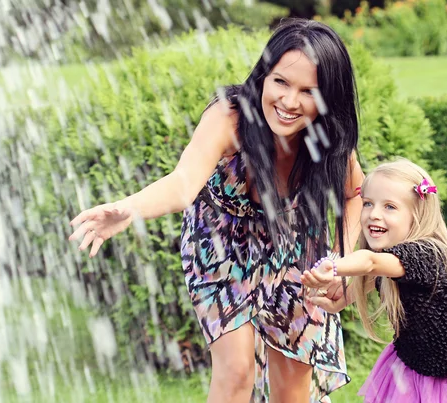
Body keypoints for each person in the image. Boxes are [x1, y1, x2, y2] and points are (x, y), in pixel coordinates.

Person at [69, 18, 365, 403]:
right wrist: (129, 208)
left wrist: (345, 266)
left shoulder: (330, 134)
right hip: (223, 245)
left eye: (308, 91)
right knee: (236, 371)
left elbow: (355, 192)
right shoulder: (231, 117)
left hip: (296, 242)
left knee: (293, 382)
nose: (290, 102)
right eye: (280, 82)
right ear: (263, 75)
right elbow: (182, 184)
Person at [301, 158, 447, 402]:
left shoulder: (427, 254)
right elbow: (374, 274)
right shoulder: (392, 260)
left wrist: (334, 266)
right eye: (368, 204)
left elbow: (370, 263)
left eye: (390, 207)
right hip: (413, 369)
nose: (374, 215)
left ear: (417, 215)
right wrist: (341, 300)